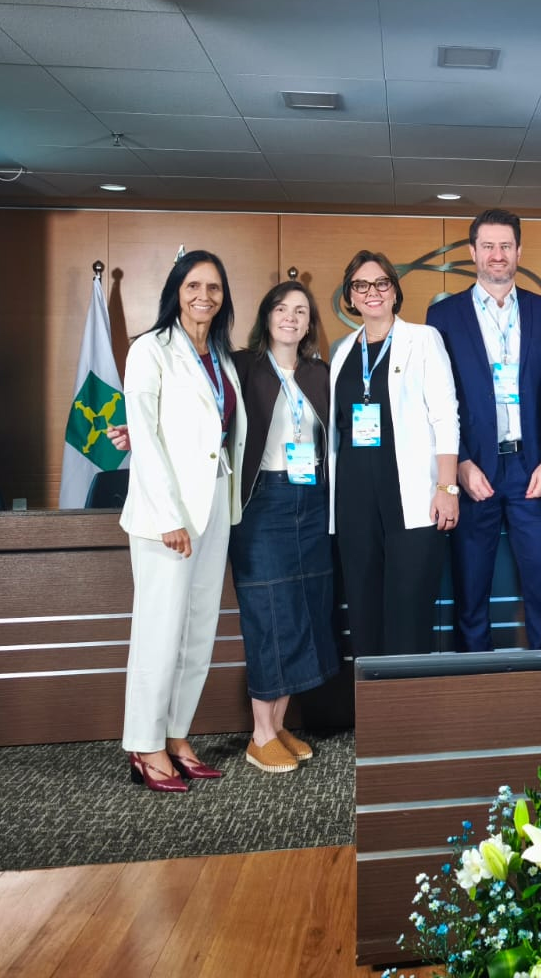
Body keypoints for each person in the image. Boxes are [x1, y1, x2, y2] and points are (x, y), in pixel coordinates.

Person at [117, 249, 246, 793]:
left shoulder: (219, 353)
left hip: (216, 501)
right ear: (176, 289)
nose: (204, 297)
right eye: (194, 286)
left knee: (198, 630)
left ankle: (177, 735)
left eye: (214, 288)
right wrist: (170, 516)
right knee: (159, 630)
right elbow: (143, 435)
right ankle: (144, 746)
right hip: (167, 514)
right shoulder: (151, 350)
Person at [426, 209, 541, 651]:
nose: (497, 255)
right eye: (488, 246)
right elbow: (438, 400)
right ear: (472, 252)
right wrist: (460, 462)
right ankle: (476, 690)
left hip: (531, 470)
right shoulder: (443, 316)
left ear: (519, 251)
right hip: (474, 470)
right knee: (471, 592)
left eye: (506, 245)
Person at [227, 281, 339, 773]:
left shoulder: (320, 374)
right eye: (281, 308)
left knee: (304, 610)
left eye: (300, 310)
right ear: (266, 316)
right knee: (268, 611)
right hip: (262, 501)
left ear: (310, 321)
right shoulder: (241, 366)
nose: (290, 317)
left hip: (312, 499)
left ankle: (278, 723)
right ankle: (260, 732)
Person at [328, 250, 460, 659]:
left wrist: (447, 487)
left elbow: (445, 416)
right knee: (363, 613)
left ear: (394, 291)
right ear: (350, 295)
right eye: (361, 285)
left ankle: (409, 717)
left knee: (408, 612)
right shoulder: (341, 350)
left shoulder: (423, 339)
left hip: (410, 493)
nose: (372, 292)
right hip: (353, 497)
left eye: (381, 283)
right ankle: (373, 718)